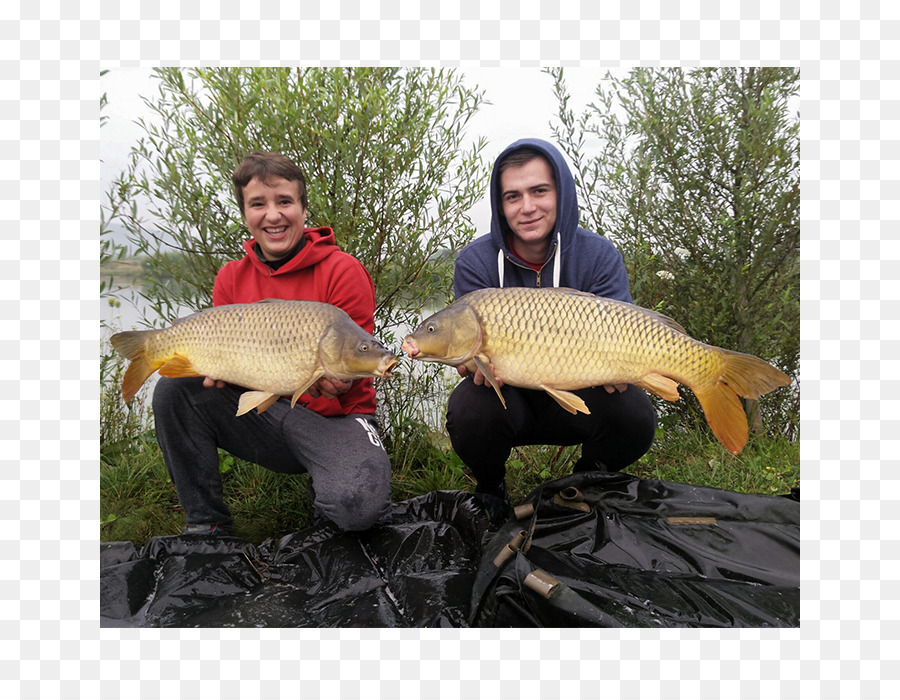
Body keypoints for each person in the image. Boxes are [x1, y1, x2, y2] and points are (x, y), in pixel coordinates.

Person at [152, 151, 392, 535]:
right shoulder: (231, 278)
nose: (273, 215)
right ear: (245, 214)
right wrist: (220, 373)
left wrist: (340, 380)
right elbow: (233, 374)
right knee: (174, 390)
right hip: (268, 416)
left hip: (338, 419)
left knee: (356, 509)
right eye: (258, 204)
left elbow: (359, 356)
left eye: (284, 201)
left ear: (302, 208)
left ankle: (331, 490)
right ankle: (207, 526)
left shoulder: (342, 270)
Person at [446, 138, 658, 519]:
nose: (526, 207)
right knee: (469, 408)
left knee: (635, 412)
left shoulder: (598, 255)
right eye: (513, 196)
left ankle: (588, 484)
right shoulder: (476, 262)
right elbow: (467, 347)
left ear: (561, 192)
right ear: (500, 206)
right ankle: (492, 485)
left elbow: (629, 331)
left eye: (539, 191)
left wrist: (628, 370)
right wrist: (472, 363)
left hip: (585, 393)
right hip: (512, 401)